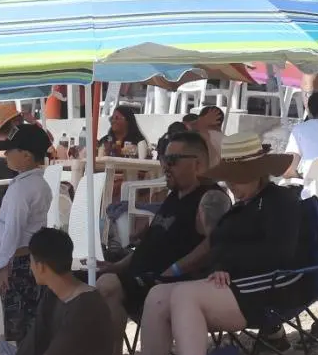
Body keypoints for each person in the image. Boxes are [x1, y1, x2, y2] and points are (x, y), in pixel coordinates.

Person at [137, 133, 309, 355]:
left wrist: (230, 265)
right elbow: (217, 246)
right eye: (229, 178)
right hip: (235, 283)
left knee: (184, 295)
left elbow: (279, 253)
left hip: (271, 286)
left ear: (257, 173)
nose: (231, 184)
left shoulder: (279, 202)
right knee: (157, 295)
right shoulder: (240, 208)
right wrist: (220, 265)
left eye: (237, 178)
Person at [96, 132, 230, 343]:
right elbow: (149, 244)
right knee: (71, 278)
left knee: (107, 286)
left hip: (169, 285)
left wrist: (174, 270)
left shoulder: (210, 198)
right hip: (141, 278)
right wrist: (117, 266)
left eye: (172, 160)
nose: (165, 166)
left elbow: (214, 244)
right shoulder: (175, 195)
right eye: (163, 159)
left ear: (197, 164)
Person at [0, 121, 54, 344]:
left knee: (19, 325)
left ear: (26, 156)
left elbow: (13, 229)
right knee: (31, 321)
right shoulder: (37, 184)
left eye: (10, 150)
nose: (5, 154)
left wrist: (1, 266)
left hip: (17, 263)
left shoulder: (23, 189)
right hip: (27, 259)